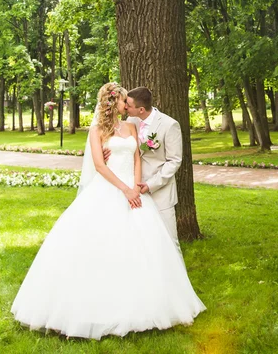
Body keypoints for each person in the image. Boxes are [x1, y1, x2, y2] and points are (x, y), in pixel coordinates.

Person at [11, 82, 205, 340]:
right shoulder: (96, 130)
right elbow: (101, 167)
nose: (128, 105)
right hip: (109, 189)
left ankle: (151, 302)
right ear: (117, 103)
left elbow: (137, 158)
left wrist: (135, 188)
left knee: (147, 246)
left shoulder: (132, 126)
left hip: (134, 192)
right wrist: (124, 189)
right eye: (125, 101)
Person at [123, 87, 182, 247]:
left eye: (128, 104)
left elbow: (174, 161)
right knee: (141, 242)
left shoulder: (170, 125)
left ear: (141, 109)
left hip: (160, 192)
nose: (125, 107)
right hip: (134, 190)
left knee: (169, 241)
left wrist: (151, 184)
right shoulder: (131, 121)